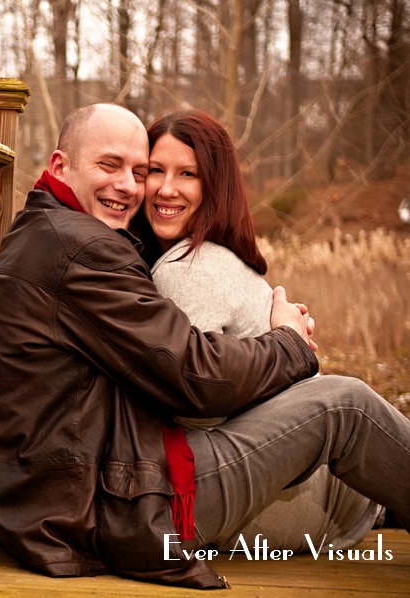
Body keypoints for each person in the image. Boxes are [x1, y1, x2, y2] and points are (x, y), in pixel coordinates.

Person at [0, 103, 410, 589]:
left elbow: (179, 367)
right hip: (114, 503)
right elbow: (195, 378)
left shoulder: (57, 234)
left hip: (83, 492)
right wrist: (288, 342)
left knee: (340, 411)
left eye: (139, 170)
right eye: (111, 165)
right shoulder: (82, 250)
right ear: (59, 166)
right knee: (344, 404)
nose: (134, 186)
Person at [133, 107, 383, 553]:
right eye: (156, 170)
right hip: (326, 497)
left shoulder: (185, 269)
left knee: (349, 402)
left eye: (187, 174)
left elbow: (197, 416)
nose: (166, 188)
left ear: (215, 186)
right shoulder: (214, 258)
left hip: (291, 506)